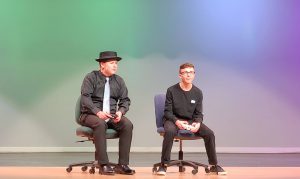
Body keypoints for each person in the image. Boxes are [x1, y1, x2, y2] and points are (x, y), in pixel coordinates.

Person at [156, 63, 227, 175]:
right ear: (180, 75)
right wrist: (177, 121)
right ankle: (163, 165)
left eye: (191, 72)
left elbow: (199, 114)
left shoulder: (198, 92)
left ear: (194, 74)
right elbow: (167, 112)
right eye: (185, 72)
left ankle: (214, 165)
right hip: (173, 119)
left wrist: (198, 123)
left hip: (190, 121)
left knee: (209, 133)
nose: (188, 75)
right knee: (169, 131)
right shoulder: (171, 90)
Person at [79, 51, 135, 175]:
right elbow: (85, 98)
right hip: (90, 115)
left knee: (127, 125)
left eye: (116, 63)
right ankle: (103, 164)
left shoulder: (119, 80)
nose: (115, 65)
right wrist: (97, 112)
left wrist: (120, 112)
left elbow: (125, 100)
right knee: (100, 124)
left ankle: (123, 164)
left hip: (111, 115)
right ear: (102, 65)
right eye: (112, 63)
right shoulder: (91, 77)